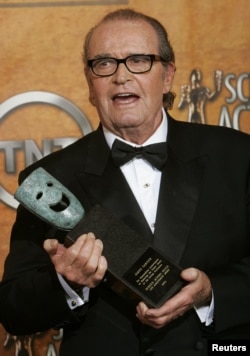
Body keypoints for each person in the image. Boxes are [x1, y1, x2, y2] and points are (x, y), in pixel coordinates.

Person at [0, 8, 250, 356]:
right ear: (90, 83)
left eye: (138, 60)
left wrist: (211, 292)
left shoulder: (237, 155)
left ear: (167, 76)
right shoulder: (48, 182)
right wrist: (66, 283)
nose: (121, 76)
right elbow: (13, 309)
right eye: (104, 63)